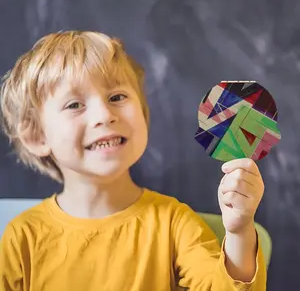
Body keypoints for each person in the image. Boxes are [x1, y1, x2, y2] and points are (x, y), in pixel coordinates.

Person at [0, 30, 266, 291]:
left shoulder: (174, 223)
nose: (104, 115)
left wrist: (240, 231)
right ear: (36, 136)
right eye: (74, 105)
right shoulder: (22, 237)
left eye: (117, 97)